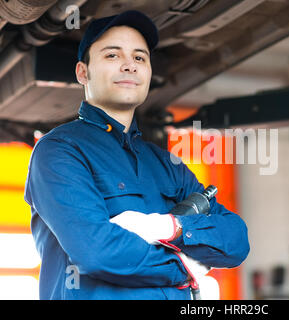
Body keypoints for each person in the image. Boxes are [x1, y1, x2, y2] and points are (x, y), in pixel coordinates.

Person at [24, 10, 250, 300]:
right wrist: (185, 266)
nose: (129, 65)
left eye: (140, 58)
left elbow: (236, 241)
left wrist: (171, 226)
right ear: (83, 72)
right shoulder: (59, 151)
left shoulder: (168, 166)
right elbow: (96, 252)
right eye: (112, 56)